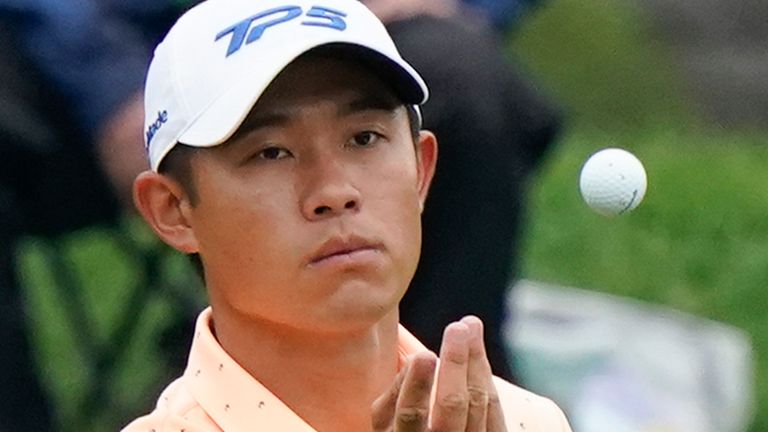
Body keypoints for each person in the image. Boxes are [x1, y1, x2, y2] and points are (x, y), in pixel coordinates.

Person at [123, 0, 572, 430]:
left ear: (421, 170)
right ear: (174, 211)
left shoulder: (529, 422)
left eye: (364, 139)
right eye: (271, 152)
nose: (335, 192)